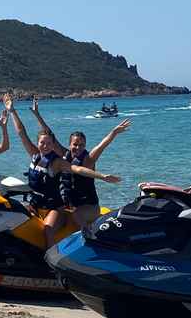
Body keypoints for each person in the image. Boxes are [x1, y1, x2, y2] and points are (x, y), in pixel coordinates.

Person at [7, 95, 122, 235]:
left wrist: (113, 133)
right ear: (69, 144)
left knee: (76, 216)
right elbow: (48, 137)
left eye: (81, 145)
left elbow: (99, 147)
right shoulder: (64, 154)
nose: (78, 148)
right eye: (75, 144)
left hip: (89, 206)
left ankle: (91, 239)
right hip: (69, 205)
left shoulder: (88, 159)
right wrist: (36, 115)